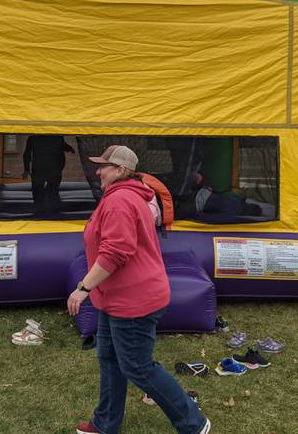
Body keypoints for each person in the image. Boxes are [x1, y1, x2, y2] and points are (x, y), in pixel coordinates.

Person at [68, 145, 210, 434]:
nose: (98, 170)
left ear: (120, 170)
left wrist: (83, 287)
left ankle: (193, 423)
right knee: (109, 358)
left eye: (104, 166)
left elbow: (115, 252)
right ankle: (105, 424)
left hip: (133, 300)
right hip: (114, 297)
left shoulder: (121, 201)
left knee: (137, 367)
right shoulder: (121, 196)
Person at [22, 135, 75, 214]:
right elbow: (27, 153)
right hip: (51, 167)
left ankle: (43, 210)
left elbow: (27, 153)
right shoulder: (55, 137)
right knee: (50, 190)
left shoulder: (35, 137)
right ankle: (51, 211)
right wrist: (69, 149)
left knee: (41, 190)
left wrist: (26, 169)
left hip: (43, 168)